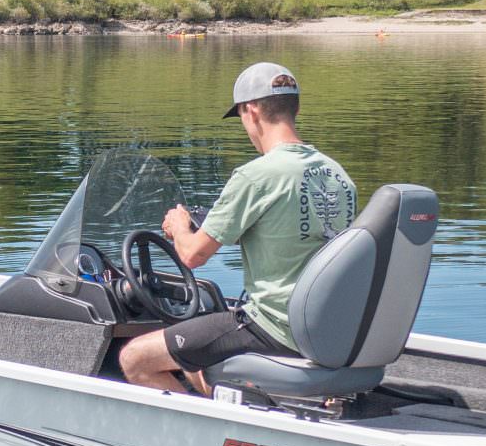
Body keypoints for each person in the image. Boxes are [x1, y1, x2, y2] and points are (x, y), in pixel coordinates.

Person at [119, 62, 355, 395]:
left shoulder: (256, 176)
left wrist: (179, 225)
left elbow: (191, 255)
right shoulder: (338, 176)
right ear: (296, 107)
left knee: (135, 358)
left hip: (273, 326)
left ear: (251, 110)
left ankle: (201, 438)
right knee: (199, 349)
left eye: (243, 117)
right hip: (322, 329)